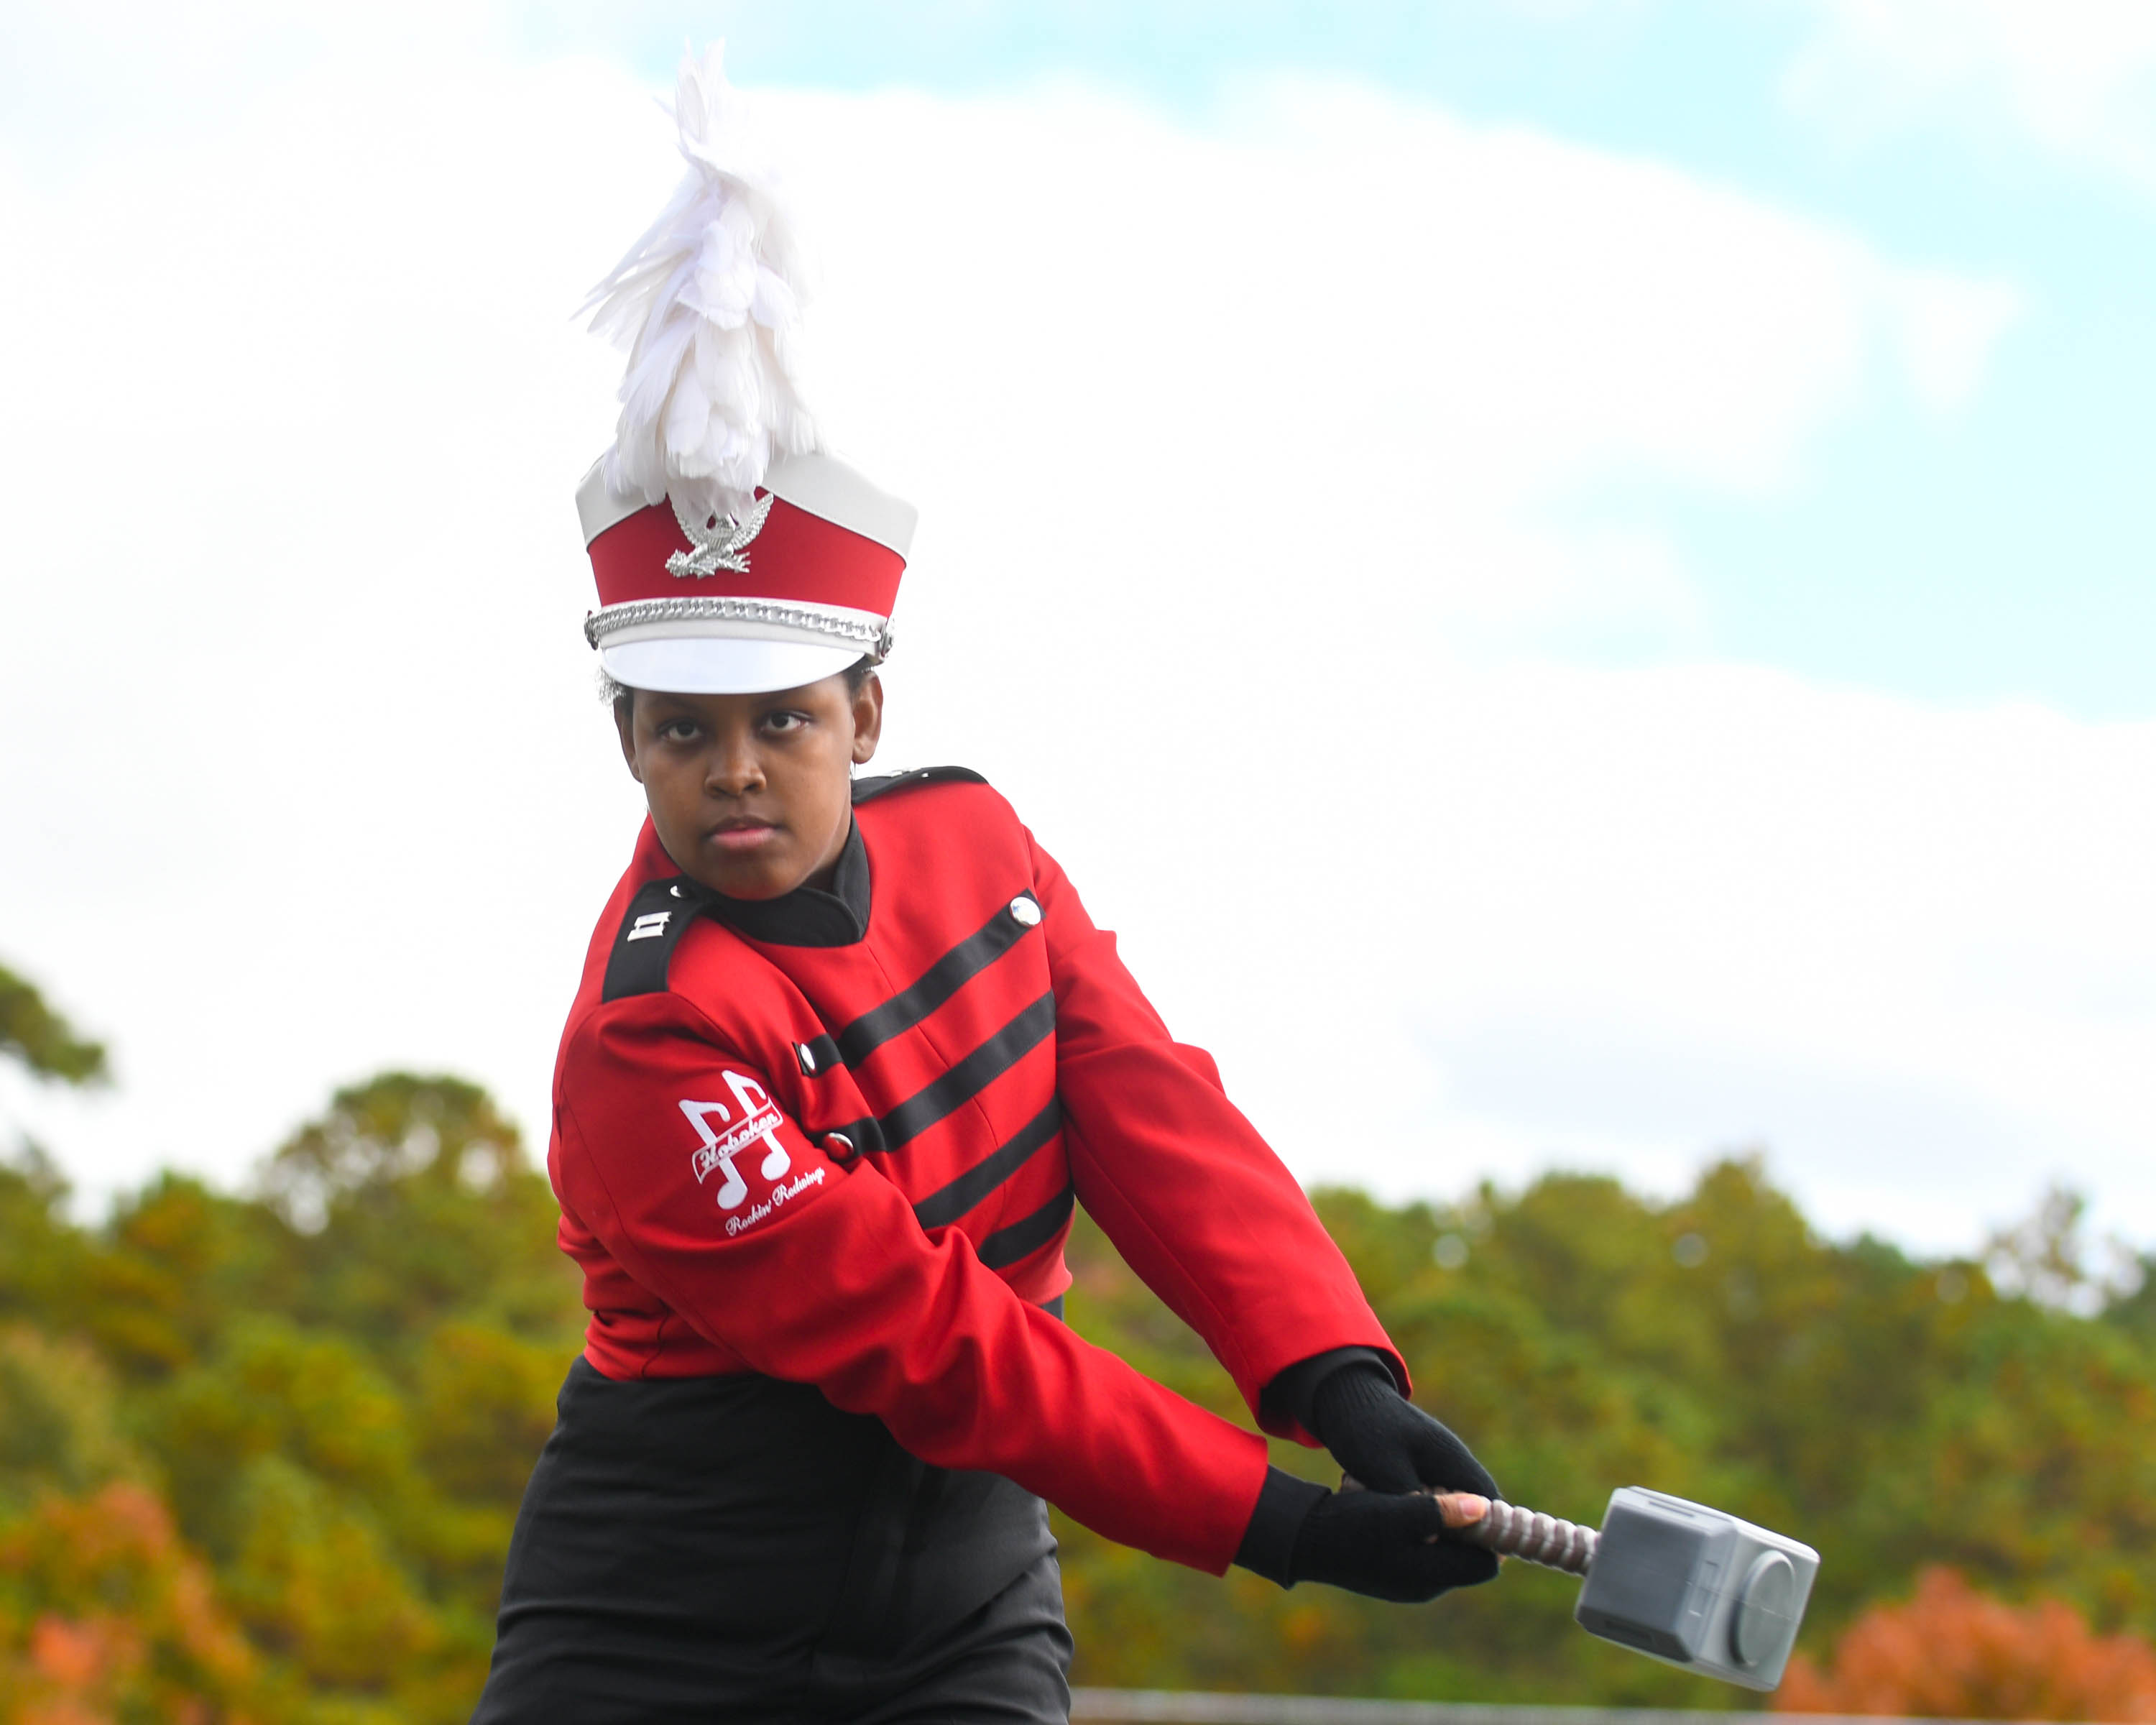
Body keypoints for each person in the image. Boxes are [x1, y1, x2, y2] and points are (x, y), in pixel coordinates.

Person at [471, 47, 1502, 1725]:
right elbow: (940, 1344)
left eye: (784, 722)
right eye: (683, 732)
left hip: (961, 1591)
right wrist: (1286, 1527)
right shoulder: (649, 1039)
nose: (736, 768)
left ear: (865, 712)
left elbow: (1148, 1114)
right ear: (630, 746)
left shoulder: (980, 845)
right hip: (665, 1605)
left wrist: (1336, 1373)